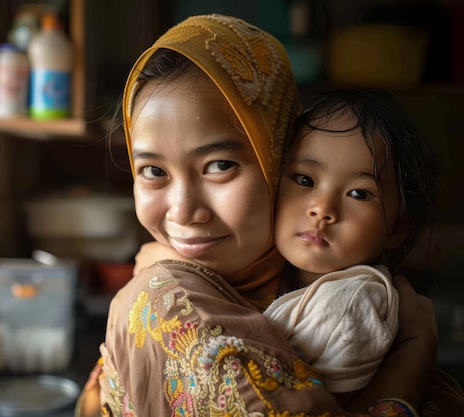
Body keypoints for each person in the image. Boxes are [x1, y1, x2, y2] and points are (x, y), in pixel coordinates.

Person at [76, 14, 440, 417]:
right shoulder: (164, 298)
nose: (183, 211)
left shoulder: (349, 306)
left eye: (219, 166)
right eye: (154, 171)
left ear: (276, 157)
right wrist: (410, 363)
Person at [262, 88, 436, 398]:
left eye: (359, 194)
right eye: (304, 179)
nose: (322, 208)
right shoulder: (273, 275)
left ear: (398, 229)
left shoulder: (350, 305)